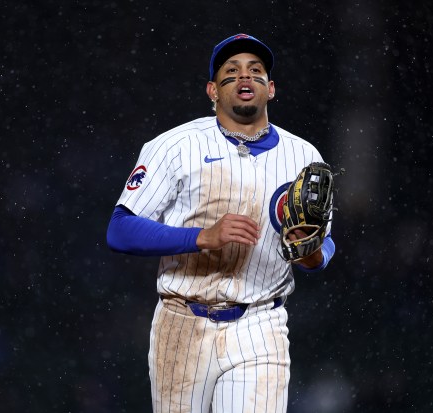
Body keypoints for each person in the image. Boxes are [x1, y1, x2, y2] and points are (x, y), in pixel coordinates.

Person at [107, 33, 335, 413]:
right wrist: (203, 236)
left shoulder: (304, 156)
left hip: (261, 322)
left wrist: (309, 253)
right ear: (212, 90)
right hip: (182, 322)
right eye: (232, 72)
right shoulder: (174, 145)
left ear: (271, 88)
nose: (245, 77)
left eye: (256, 71)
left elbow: (323, 246)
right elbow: (120, 230)